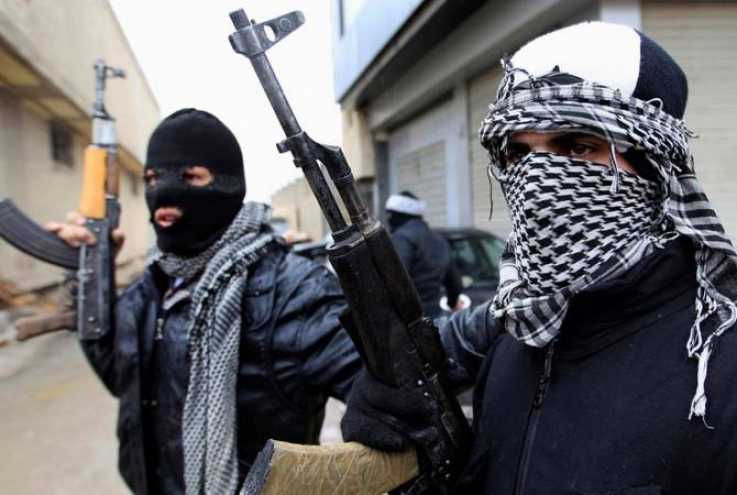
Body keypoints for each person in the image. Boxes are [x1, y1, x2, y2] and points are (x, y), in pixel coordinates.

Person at [340, 22, 737, 494]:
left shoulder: (720, 361)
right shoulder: (514, 334)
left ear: (656, 169)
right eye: (518, 153)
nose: (537, 183)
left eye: (578, 147)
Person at [48, 109, 361, 495]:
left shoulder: (296, 291)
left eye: (190, 177)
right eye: (152, 179)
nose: (164, 192)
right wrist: (90, 274)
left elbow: (381, 386)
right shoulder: (148, 289)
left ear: (230, 184)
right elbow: (121, 377)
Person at [385, 191, 464, 317]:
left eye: (390, 214)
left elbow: (395, 279)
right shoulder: (439, 240)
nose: (388, 218)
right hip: (434, 316)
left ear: (399, 214)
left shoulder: (401, 238)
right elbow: (453, 281)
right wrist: (453, 301)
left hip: (407, 317)